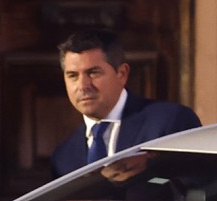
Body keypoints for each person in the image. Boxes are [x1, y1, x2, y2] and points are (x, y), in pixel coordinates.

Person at [51, 29, 201, 178]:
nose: (83, 86)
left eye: (93, 73)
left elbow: (197, 186)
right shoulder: (63, 157)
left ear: (122, 74)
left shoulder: (170, 122)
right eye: (73, 76)